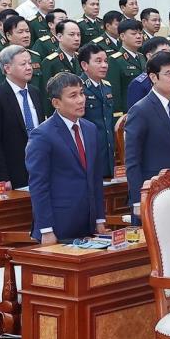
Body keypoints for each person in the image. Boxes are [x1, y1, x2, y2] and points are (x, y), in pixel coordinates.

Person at [23, 72, 107, 243]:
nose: (81, 100)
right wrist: (46, 229)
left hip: (88, 224)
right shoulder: (42, 135)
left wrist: (100, 219)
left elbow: (95, 178)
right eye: (73, 96)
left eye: (82, 93)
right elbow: (39, 186)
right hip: (58, 226)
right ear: (56, 103)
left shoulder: (90, 129)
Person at [123, 51, 170, 217]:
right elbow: (132, 160)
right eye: (169, 74)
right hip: (153, 192)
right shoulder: (140, 110)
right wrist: (137, 200)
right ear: (153, 77)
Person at [0, 45, 45, 191]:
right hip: (13, 173)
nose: (29, 67)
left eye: (30, 63)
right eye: (23, 64)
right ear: (7, 68)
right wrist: (3, 178)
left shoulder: (35, 92)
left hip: (39, 168)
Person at [79, 43, 116, 178]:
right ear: (85, 65)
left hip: (107, 151)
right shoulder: (79, 88)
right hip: (89, 151)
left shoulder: (107, 87)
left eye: (106, 61)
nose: (104, 65)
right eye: (98, 61)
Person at [110, 17, 145, 122]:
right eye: (133, 34)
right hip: (128, 114)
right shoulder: (115, 60)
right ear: (122, 36)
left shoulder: (142, 57)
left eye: (140, 33)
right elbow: (115, 92)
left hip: (144, 111)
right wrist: (119, 117)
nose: (138, 36)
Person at [124, 35, 170, 111]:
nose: (169, 55)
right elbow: (135, 112)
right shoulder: (139, 84)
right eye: (164, 52)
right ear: (149, 56)